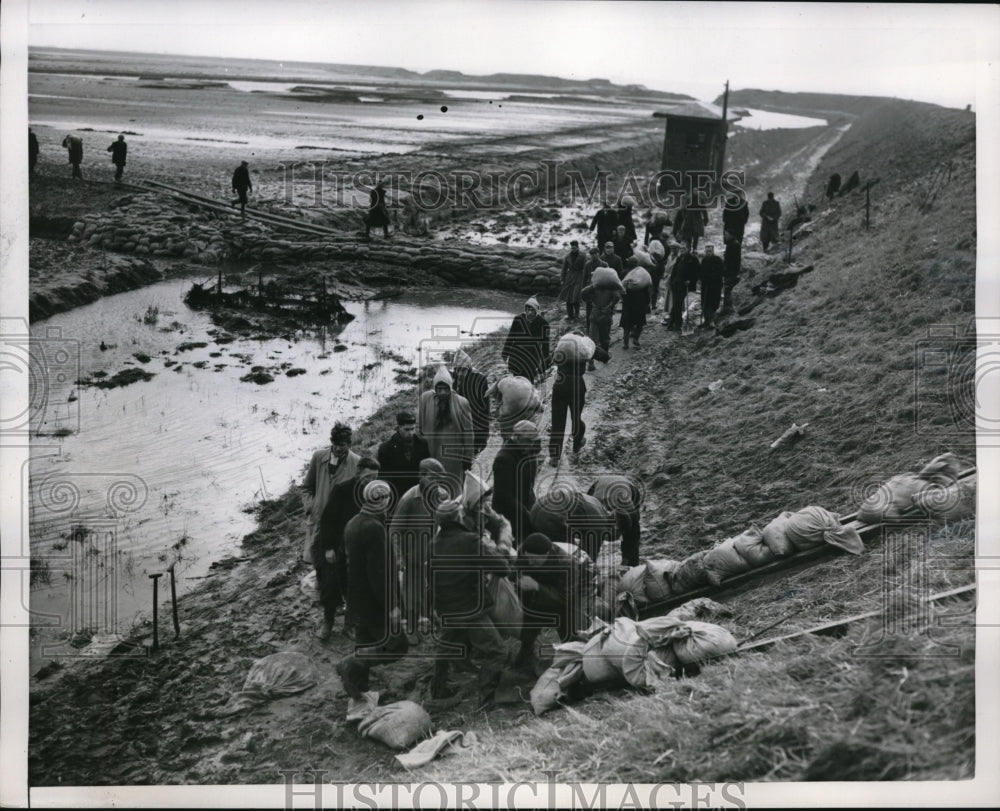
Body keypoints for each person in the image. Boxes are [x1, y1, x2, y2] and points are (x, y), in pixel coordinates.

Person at [428, 497, 511, 711]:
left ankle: (437, 691)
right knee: (497, 651)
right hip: (470, 609)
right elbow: (502, 568)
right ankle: (485, 700)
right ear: (460, 517)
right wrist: (502, 546)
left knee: (445, 649)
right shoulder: (470, 540)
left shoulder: (433, 544)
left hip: (446, 607)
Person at [335, 480, 409, 700]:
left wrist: (346, 595)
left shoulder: (352, 523)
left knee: (365, 643)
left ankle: (360, 694)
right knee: (397, 645)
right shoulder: (374, 528)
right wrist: (392, 606)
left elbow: (341, 563)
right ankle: (350, 663)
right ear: (384, 501)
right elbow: (380, 574)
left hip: (357, 600)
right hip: (375, 602)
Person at [313, 457, 381, 640]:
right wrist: (328, 548)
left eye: (375, 477)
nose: (371, 481)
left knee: (355, 587)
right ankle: (327, 622)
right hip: (338, 545)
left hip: (359, 547)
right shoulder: (342, 490)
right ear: (358, 473)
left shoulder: (376, 492)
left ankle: (350, 625)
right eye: (368, 476)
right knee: (331, 586)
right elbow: (326, 520)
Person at [514, 533, 597, 671]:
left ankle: (573, 657)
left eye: (535, 560)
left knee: (573, 622)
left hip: (581, 579)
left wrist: (537, 586)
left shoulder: (567, 563)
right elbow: (518, 571)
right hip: (550, 579)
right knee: (530, 614)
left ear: (547, 554)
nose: (530, 563)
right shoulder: (524, 551)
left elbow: (565, 597)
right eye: (528, 558)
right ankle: (526, 652)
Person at [389, 458, 448, 632]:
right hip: (413, 556)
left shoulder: (442, 496)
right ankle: (412, 627)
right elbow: (394, 531)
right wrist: (399, 557)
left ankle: (430, 617)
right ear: (421, 476)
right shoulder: (409, 499)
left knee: (434, 589)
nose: (436, 483)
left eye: (439, 480)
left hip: (435, 554)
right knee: (412, 593)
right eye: (432, 478)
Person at [301, 423, 361, 561]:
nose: (338, 448)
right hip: (318, 519)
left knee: (337, 561)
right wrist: (310, 507)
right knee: (316, 559)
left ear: (349, 444)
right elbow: (307, 488)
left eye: (343, 445)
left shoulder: (357, 462)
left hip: (340, 524)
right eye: (335, 444)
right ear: (331, 442)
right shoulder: (318, 457)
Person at [549, 330, 610, 464]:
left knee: (557, 420)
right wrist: (605, 358)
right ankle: (577, 444)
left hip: (560, 384)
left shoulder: (563, 345)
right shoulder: (584, 347)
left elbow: (550, 358)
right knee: (576, 418)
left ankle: (554, 456)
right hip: (577, 385)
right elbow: (604, 355)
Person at [417, 365, 474, 493]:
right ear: (434, 388)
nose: (442, 392)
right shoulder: (426, 399)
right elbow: (419, 426)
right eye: (439, 388)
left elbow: (468, 434)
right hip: (431, 453)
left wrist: (467, 458)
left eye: (445, 389)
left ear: (450, 387)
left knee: (453, 488)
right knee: (432, 487)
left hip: (453, 457)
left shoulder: (461, 403)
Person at [492, 420, 540, 542]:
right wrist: (526, 514)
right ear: (517, 437)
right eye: (528, 441)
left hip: (521, 508)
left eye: (532, 441)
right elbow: (504, 497)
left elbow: (528, 485)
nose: (531, 445)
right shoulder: (504, 459)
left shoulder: (524, 451)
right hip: (508, 517)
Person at [587, 475, 642, 567]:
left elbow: (633, 541)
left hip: (630, 487)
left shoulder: (632, 515)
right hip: (600, 483)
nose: (617, 537)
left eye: (619, 534)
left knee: (632, 536)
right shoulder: (595, 511)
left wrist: (628, 563)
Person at [377, 412, 430, 504]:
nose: (411, 433)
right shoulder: (385, 449)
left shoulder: (423, 444)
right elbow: (383, 476)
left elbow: (427, 468)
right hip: (397, 494)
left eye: (412, 429)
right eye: (407, 429)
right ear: (398, 428)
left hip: (418, 493)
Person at [500, 297, 551, 383]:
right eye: (528, 309)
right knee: (515, 382)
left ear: (536, 311)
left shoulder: (543, 324)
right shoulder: (518, 319)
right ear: (525, 309)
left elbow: (545, 345)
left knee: (528, 382)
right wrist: (505, 353)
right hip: (516, 356)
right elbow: (511, 337)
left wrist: (544, 364)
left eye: (532, 310)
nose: (529, 312)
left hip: (532, 358)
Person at [451, 349, 490, 456]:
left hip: (476, 425)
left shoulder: (480, 380)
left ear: (468, 368)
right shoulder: (452, 382)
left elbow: (485, 409)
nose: (460, 374)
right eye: (457, 370)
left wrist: (484, 432)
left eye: (463, 370)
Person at [581, 271, 623, 367]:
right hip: (605, 315)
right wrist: (610, 306)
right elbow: (617, 297)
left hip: (595, 313)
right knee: (605, 339)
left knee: (592, 339)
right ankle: (605, 358)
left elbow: (583, 292)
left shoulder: (594, 287)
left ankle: (591, 363)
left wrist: (590, 302)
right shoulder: (611, 288)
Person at [486, 374, 543, 441]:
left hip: (510, 415)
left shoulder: (502, 384)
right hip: (528, 413)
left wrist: (498, 413)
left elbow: (496, 399)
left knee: (506, 426)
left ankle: (508, 441)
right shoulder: (525, 383)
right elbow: (539, 406)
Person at [664, 246, 701, 332]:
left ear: (688, 249)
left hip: (684, 285)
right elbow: (674, 270)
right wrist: (672, 281)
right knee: (676, 303)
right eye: (681, 249)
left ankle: (676, 324)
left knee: (678, 303)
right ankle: (674, 323)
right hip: (676, 284)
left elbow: (696, 272)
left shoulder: (692, 259)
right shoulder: (680, 258)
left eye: (684, 248)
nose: (682, 250)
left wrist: (691, 280)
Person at [620, 262, 651, 349]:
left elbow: (621, 287)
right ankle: (636, 339)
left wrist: (623, 299)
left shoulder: (625, 273)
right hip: (640, 301)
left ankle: (625, 344)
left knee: (627, 324)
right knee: (639, 322)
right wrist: (647, 302)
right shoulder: (642, 274)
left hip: (628, 301)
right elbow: (647, 289)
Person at [699, 244, 726, 328]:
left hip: (715, 286)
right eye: (707, 251)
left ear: (713, 251)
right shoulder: (704, 260)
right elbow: (701, 271)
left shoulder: (718, 260)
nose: (708, 253)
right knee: (705, 302)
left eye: (710, 251)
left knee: (713, 303)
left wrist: (710, 278)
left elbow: (720, 273)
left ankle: (712, 321)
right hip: (705, 285)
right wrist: (702, 278)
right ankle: (706, 320)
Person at [558, 241, 586, 321]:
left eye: (575, 247)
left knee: (576, 296)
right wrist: (562, 279)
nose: (573, 249)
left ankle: (577, 314)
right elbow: (564, 269)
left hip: (579, 276)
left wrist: (585, 279)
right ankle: (570, 315)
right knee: (568, 297)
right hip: (569, 277)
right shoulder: (567, 256)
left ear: (577, 247)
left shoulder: (583, 256)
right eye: (572, 247)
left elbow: (585, 268)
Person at [581, 247, 606, 334]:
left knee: (601, 311)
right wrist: (583, 292)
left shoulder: (604, 264)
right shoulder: (587, 265)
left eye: (595, 254)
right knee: (589, 312)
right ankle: (589, 331)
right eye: (592, 254)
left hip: (601, 291)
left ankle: (600, 331)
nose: (594, 256)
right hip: (590, 291)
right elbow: (584, 279)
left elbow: (608, 278)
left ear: (599, 254)